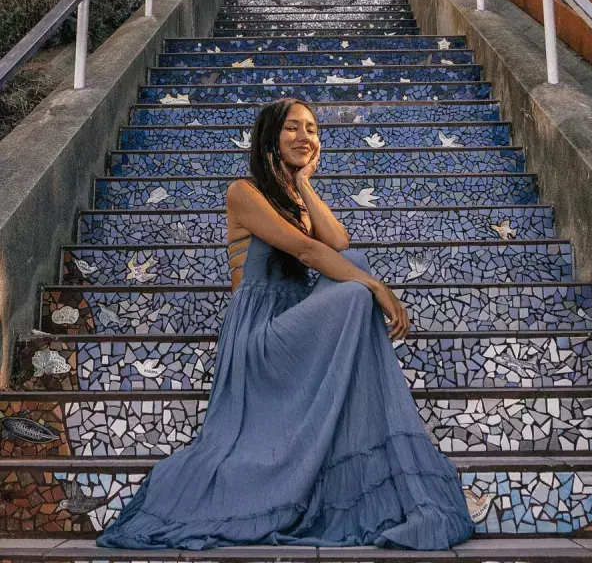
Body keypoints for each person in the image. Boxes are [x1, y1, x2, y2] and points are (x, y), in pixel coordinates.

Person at [95, 97, 475, 551]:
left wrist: (305, 185)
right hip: (259, 337)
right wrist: (378, 287)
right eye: (293, 128)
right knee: (356, 286)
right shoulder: (244, 192)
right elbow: (311, 253)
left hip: (293, 322)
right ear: (270, 137)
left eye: (312, 129)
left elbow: (337, 241)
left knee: (352, 262)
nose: (305, 136)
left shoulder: (294, 198)